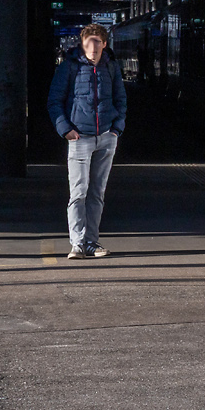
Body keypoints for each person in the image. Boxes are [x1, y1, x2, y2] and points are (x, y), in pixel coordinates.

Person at [47, 23, 127, 259]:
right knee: (78, 192)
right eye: (88, 42)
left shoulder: (111, 67)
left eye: (97, 42)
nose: (93, 47)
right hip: (79, 137)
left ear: (104, 44)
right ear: (82, 44)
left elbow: (121, 99)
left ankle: (91, 242)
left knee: (97, 193)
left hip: (106, 137)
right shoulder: (69, 67)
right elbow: (54, 101)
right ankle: (77, 244)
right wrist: (66, 130)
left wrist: (116, 129)